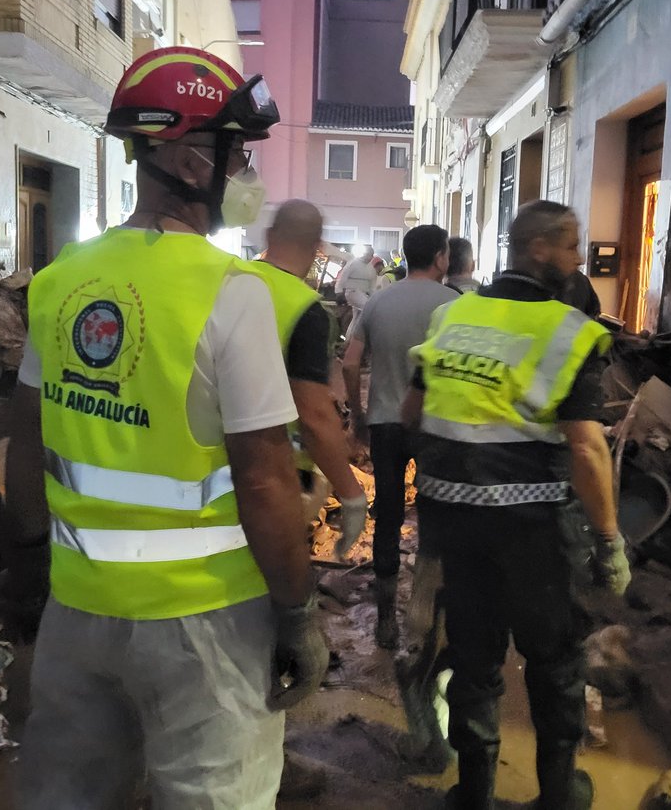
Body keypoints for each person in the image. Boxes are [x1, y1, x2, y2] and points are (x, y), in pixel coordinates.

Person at [3, 47, 328, 810]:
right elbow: (265, 478)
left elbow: (23, 440)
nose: (246, 174)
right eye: (237, 153)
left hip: (77, 608)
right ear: (187, 162)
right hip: (203, 625)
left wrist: (25, 565)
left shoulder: (60, 283)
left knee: (69, 796)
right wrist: (297, 611)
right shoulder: (233, 294)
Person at [405, 200, 631, 810]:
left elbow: (413, 412)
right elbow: (586, 449)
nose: (579, 257)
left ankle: (473, 794)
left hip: (454, 519)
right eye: (571, 244)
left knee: (475, 657)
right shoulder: (571, 331)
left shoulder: (452, 316)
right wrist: (608, 539)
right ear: (539, 250)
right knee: (553, 658)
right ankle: (558, 793)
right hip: (532, 527)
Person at [341, 224, 457, 648]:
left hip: (385, 423)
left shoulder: (378, 300)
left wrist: (358, 415)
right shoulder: (454, 304)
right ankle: (423, 611)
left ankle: (385, 619)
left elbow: (350, 365)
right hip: (435, 428)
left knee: (387, 515)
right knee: (435, 516)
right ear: (442, 258)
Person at [255, 198, 369, 556]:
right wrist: (350, 493)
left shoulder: (227, 282)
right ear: (318, 247)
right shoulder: (306, 310)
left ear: (269, 235)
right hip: (280, 470)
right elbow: (314, 415)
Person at [335, 244, 378, 336]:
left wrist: (373, 296)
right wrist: (338, 292)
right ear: (364, 254)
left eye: (372, 255)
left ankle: (349, 341)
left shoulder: (371, 268)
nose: (371, 257)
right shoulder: (353, 263)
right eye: (369, 254)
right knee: (369, 308)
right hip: (352, 292)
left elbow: (372, 285)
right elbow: (342, 278)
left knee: (356, 319)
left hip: (362, 293)